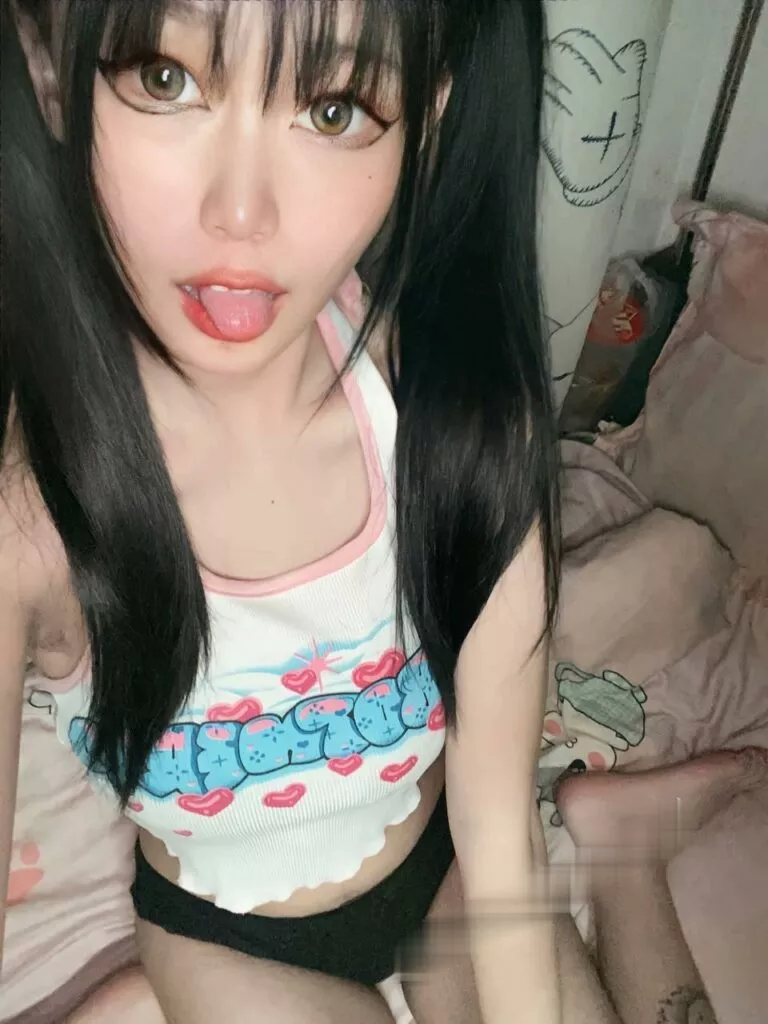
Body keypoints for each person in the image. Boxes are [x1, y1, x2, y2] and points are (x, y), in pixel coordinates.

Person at [1, 1, 764, 1022]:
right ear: (49, 73)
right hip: (222, 939)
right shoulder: (29, 515)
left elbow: (498, 829)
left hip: (444, 861)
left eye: (333, 108)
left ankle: (624, 849)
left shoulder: (454, 413)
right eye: (165, 78)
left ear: (425, 117)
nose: (242, 214)